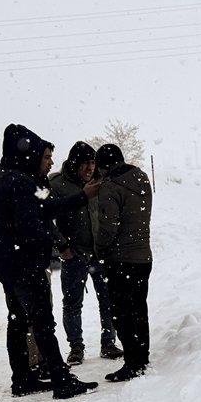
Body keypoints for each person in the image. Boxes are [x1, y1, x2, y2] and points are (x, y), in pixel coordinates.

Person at [0, 124, 96, 399]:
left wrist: (78, 198)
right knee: (43, 323)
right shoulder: (21, 181)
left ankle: (21, 379)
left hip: (6, 263)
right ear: (27, 151)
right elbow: (33, 222)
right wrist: (45, 243)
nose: (50, 161)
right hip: (26, 265)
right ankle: (60, 379)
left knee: (17, 321)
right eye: (44, 156)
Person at [48, 141, 122, 365]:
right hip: (75, 254)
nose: (91, 167)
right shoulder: (57, 185)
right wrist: (62, 245)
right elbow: (46, 219)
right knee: (72, 303)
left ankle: (108, 342)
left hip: (101, 253)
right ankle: (76, 347)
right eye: (85, 163)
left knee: (108, 300)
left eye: (93, 162)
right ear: (74, 163)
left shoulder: (102, 181)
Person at [94, 143, 152, 382]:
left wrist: (99, 251)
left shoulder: (110, 187)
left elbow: (108, 228)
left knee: (121, 312)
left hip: (121, 259)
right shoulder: (142, 177)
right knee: (139, 307)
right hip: (143, 256)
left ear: (103, 167)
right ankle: (142, 355)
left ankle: (132, 361)